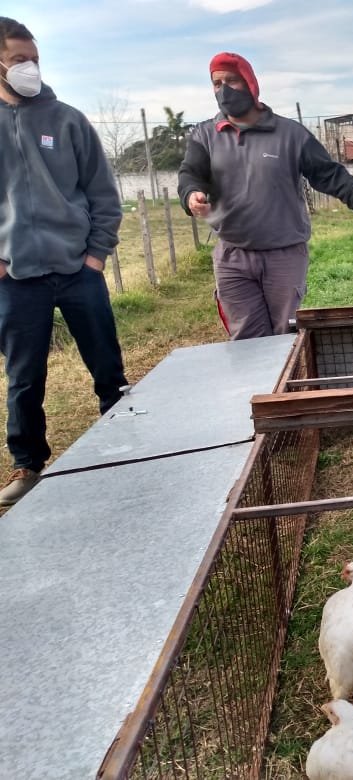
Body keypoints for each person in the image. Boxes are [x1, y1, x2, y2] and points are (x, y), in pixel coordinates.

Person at [178, 52, 353, 340]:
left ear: (249, 83)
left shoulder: (290, 134)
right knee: (246, 341)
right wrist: (191, 194)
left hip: (283, 255)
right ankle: (256, 387)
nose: (223, 90)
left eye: (232, 81)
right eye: (216, 83)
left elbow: (330, 175)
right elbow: (190, 173)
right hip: (232, 256)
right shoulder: (205, 135)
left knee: (283, 338)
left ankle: (286, 387)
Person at [0, 17, 128, 507]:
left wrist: (95, 256)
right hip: (17, 279)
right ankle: (27, 465)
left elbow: (102, 194)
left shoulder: (68, 120)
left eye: (33, 58)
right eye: (17, 60)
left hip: (79, 271)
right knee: (24, 376)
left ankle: (124, 447)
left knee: (107, 367)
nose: (29, 68)